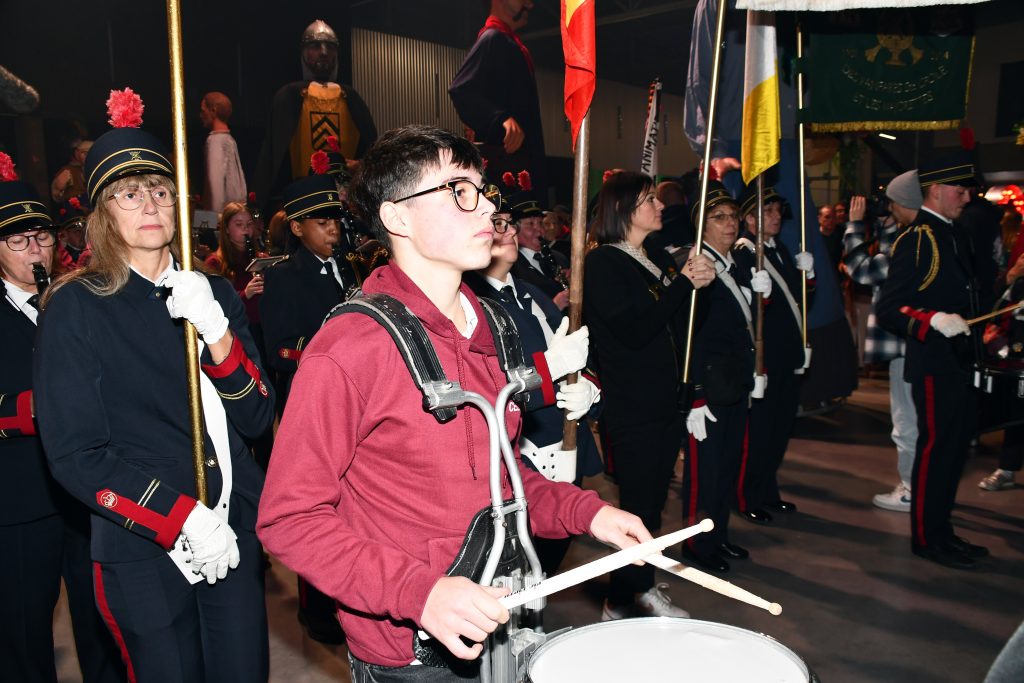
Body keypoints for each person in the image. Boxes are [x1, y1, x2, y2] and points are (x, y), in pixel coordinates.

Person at [257, 125, 650, 678]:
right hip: (412, 652)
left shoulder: (491, 326)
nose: (485, 206)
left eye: (481, 190)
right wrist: (418, 593)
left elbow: (502, 478)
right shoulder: (349, 348)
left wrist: (588, 513)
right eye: (459, 191)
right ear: (397, 217)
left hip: (502, 616)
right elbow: (289, 520)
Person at [34, 92, 274, 680]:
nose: (150, 204)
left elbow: (257, 418)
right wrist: (181, 516)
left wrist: (218, 334)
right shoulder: (77, 308)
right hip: (143, 547)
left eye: (161, 191)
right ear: (102, 213)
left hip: (232, 528)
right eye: (129, 193)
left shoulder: (214, 294)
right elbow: (76, 455)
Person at [0, 170, 123, 683]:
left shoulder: (75, 300)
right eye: (18, 239)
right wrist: (43, 406)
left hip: (85, 489)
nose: (36, 249)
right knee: (23, 627)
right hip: (20, 497)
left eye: (43, 236)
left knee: (100, 619)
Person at [583, 170, 716, 616]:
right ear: (624, 209)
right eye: (650, 201)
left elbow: (681, 323)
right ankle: (624, 599)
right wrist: (682, 286)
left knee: (654, 503)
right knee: (638, 506)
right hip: (634, 402)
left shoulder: (653, 254)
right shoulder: (604, 263)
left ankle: (637, 586)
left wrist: (700, 285)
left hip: (665, 397)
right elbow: (635, 331)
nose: (660, 207)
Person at [463, 204, 601, 575]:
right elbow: (488, 388)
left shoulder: (532, 293)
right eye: (497, 224)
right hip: (522, 456)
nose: (509, 231)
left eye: (509, 223)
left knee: (550, 560)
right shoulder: (468, 307)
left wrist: (588, 388)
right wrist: (548, 371)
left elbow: (576, 354)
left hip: (566, 445)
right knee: (516, 571)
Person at [877, 153, 989, 570]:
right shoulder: (918, 238)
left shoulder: (950, 233)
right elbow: (890, 308)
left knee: (954, 452)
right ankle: (927, 538)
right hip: (933, 362)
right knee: (936, 452)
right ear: (937, 191)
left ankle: (942, 531)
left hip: (957, 361)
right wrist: (932, 320)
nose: (967, 197)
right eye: (960, 190)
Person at [257, 173, 350, 644]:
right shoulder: (283, 276)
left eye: (334, 219)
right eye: (320, 221)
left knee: (354, 507)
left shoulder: (350, 269)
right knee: (317, 509)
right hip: (312, 404)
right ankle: (316, 611)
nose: (332, 228)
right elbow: (279, 350)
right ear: (296, 228)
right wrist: (334, 346)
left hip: (356, 402)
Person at [682, 181, 771, 572]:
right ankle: (696, 545)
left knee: (727, 467)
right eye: (719, 217)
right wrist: (696, 396)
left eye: (733, 216)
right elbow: (691, 338)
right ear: (702, 225)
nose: (730, 223)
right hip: (710, 389)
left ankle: (717, 536)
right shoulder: (697, 266)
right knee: (705, 473)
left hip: (735, 384)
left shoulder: (735, 264)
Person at [732, 183, 814, 524]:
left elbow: (798, 304)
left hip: (786, 355)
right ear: (749, 218)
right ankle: (745, 495)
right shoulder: (745, 253)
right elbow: (746, 312)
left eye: (778, 210)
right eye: (768, 210)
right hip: (764, 359)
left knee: (779, 430)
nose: (777, 216)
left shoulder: (778, 249)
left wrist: (808, 277)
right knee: (759, 433)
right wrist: (759, 297)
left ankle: (767, 491)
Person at [843, 171, 923, 512]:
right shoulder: (919, 235)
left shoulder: (909, 245)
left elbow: (860, 269)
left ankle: (911, 489)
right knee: (915, 418)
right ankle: (920, 486)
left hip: (907, 347)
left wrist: (854, 226)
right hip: (917, 343)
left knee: (907, 421)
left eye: (892, 203)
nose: (887, 208)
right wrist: (885, 226)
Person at [253, 20, 377, 207]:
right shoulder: (288, 97)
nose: (324, 52)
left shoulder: (351, 98)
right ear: (304, 51)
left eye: (330, 47)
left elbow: (370, 149)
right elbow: (273, 156)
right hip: (299, 198)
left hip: (345, 199)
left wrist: (360, 166)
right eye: (315, 46)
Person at [450, 0, 548, 198]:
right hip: (509, 171)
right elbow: (462, 90)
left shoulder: (507, 42)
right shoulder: (493, 38)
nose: (529, 5)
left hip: (519, 165)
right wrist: (500, 118)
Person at [511, 193, 568, 305]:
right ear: (514, 229)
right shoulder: (512, 267)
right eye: (530, 224)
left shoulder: (559, 258)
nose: (540, 230)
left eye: (541, 223)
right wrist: (554, 307)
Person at [200, 91, 247, 213]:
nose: (201, 115)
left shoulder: (215, 141)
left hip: (222, 214)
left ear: (213, 111)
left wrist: (215, 215)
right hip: (234, 210)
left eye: (203, 111)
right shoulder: (229, 139)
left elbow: (215, 181)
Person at [50, 138, 92, 203]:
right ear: (76, 153)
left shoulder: (98, 168)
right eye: (85, 153)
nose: (88, 156)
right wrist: (57, 188)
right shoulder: (69, 170)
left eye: (91, 153)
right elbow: (56, 195)